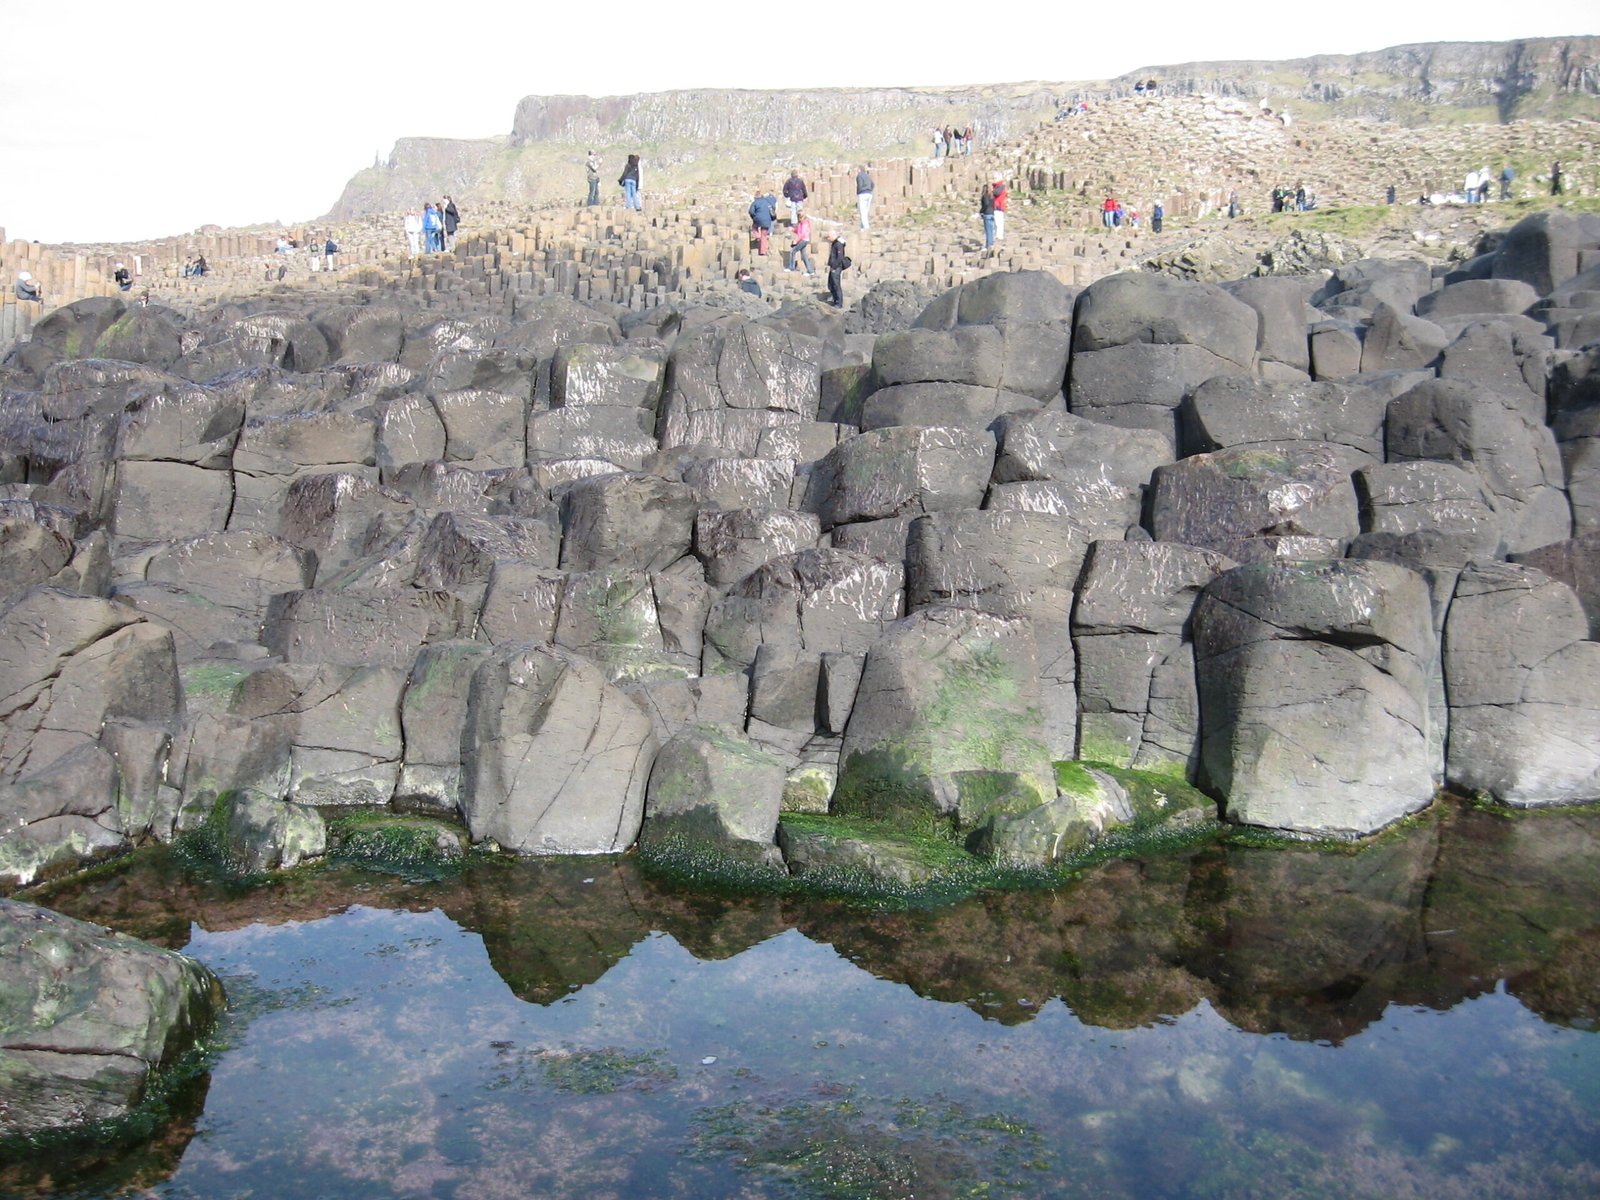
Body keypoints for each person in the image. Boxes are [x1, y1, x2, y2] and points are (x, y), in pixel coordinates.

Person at [748, 190, 778, 256]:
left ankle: (757, 236)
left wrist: (754, 217)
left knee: (754, 227)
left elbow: (751, 212)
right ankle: (763, 252)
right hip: (767, 220)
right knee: (764, 236)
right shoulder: (767, 202)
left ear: (755, 197)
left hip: (758, 219)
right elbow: (773, 209)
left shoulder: (755, 203)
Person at [826, 233, 851, 308]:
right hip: (833, 267)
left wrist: (834, 267)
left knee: (836, 285)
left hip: (836, 267)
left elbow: (840, 257)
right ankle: (835, 300)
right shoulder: (835, 243)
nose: (828, 239)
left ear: (833, 236)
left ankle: (839, 303)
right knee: (830, 284)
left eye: (829, 237)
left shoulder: (838, 244)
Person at [979, 181, 996, 250]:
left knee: (988, 231)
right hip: (992, 214)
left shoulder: (985, 196)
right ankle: (991, 244)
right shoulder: (992, 196)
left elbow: (986, 204)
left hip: (987, 214)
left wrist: (981, 211)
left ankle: (988, 246)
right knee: (991, 231)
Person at [855, 166, 874, 230]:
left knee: (862, 212)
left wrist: (858, 192)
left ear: (859, 170)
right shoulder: (868, 175)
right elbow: (872, 184)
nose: (857, 171)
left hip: (862, 194)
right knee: (866, 211)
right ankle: (862, 227)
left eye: (857, 170)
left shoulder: (859, 176)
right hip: (869, 194)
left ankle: (866, 228)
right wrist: (869, 189)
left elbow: (859, 185)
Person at [991, 174, 1008, 241]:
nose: (993, 179)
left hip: (998, 206)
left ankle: (999, 236)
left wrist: (991, 191)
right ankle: (998, 236)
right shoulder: (997, 186)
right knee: (997, 222)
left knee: (998, 222)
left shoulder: (1001, 186)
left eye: (994, 178)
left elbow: (996, 193)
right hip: (997, 206)